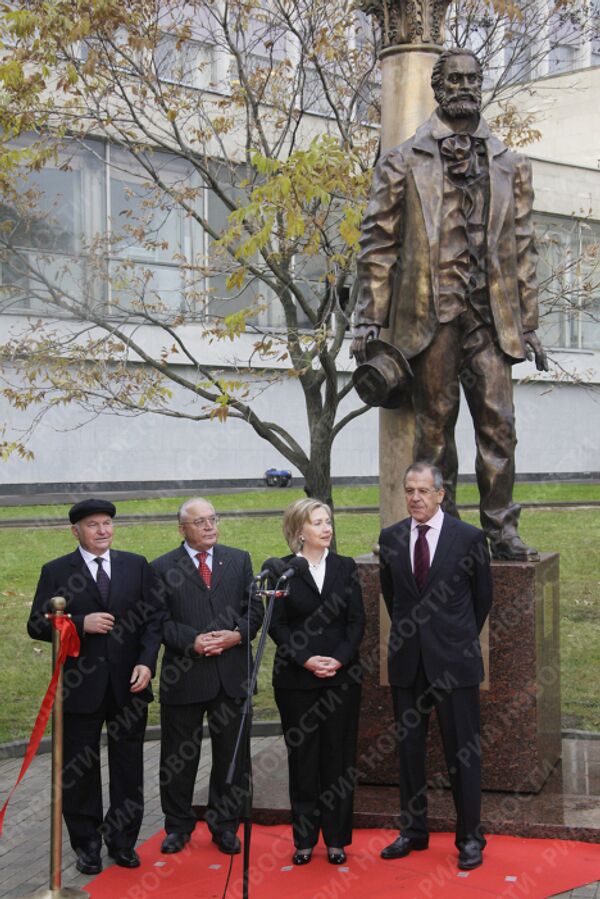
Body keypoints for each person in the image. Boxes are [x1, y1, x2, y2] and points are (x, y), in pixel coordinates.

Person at [352, 47, 549, 562]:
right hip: (430, 317)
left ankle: (501, 527)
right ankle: (447, 533)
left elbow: (523, 249)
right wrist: (371, 315)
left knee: (498, 424)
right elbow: (378, 245)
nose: (463, 86)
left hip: (491, 316)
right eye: (454, 79)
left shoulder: (513, 165)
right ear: (438, 87)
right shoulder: (402, 159)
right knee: (434, 428)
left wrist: (528, 322)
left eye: (471, 79)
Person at [27, 498, 165, 875]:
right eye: (93, 525)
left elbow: (154, 620)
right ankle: (86, 844)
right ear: (76, 531)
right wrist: (78, 621)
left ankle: (122, 841)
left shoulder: (135, 566)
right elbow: (37, 623)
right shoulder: (57, 571)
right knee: (81, 769)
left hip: (129, 686)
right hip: (81, 689)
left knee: (127, 767)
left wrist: (146, 663)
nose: (103, 530)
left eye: (107, 523)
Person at [378, 462, 492, 870]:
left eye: (423, 491)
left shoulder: (470, 538)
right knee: (409, 752)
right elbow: (394, 597)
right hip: (408, 663)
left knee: (463, 754)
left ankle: (470, 837)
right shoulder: (390, 538)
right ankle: (413, 830)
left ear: (441, 494)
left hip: (455, 664)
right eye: (409, 490)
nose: (414, 498)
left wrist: (452, 639)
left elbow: (482, 600)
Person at [152, 498, 264, 856]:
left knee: (232, 756)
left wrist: (237, 634)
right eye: (199, 522)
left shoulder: (240, 559)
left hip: (231, 674)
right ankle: (178, 826)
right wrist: (192, 642)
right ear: (182, 528)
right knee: (178, 758)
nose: (209, 526)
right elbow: (157, 622)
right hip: (185, 675)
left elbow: (255, 610)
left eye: (212, 519)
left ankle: (225, 824)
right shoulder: (161, 567)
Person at [268, 498, 366, 866]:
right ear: (299, 531)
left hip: (341, 679)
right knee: (303, 759)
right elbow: (277, 625)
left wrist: (338, 659)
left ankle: (337, 839)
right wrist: (306, 659)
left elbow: (356, 621)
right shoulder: (281, 571)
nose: (326, 528)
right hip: (297, 681)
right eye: (317, 522)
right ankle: (305, 838)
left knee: (337, 760)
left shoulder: (345, 567)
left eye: (328, 521)